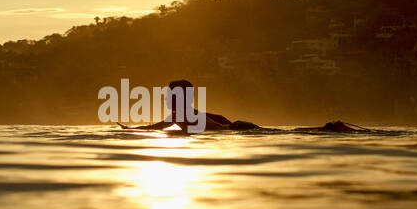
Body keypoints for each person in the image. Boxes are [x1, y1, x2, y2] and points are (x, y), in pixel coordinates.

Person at [135, 80, 360, 133]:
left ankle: (329, 128)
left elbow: (153, 128)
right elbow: (154, 127)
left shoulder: (182, 115)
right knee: (282, 133)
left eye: (168, 95)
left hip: (237, 129)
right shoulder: (185, 114)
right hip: (238, 126)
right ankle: (328, 127)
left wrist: (127, 131)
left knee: (281, 133)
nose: (165, 98)